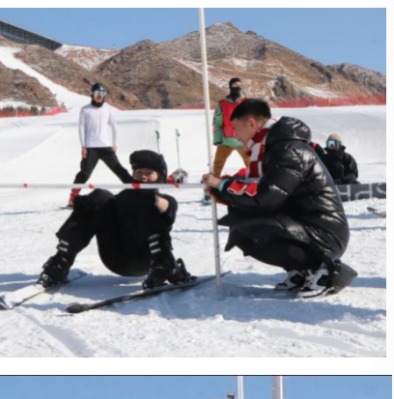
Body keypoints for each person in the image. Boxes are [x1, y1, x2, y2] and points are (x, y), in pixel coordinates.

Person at [201, 99, 356, 295]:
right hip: (306, 224)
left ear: (251, 123)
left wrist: (222, 185)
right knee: (240, 221)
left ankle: (326, 270)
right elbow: (257, 185)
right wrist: (221, 184)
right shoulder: (270, 147)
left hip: (324, 234)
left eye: (236, 128)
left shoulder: (287, 150)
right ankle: (303, 270)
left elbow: (265, 199)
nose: (235, 136)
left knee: (247, 227)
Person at [40, 150, 194, 290]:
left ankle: (167, 266)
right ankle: (61, 261)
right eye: (139, 171)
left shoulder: (165, 200)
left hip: (146, 260)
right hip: (115, 258)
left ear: (159, 176)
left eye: (149, 172)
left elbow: (167, 208)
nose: (143, 176)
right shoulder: (123, 197)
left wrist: (148, 198)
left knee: (143, 202)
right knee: (100, 196)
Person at [68, 83, 132, 208]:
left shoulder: (107, 109)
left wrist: (115, 143)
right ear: (91, 94)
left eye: (102, 94)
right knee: (85, 173)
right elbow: (81, 128)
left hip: (106, 147)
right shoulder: (85, 109)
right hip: (91, 148)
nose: (99, 97)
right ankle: (73, 197)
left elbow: (114, 127)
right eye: (97, 94)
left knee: (119, 170)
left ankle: (136, 193)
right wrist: (83, 146)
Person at [212, 77, 249, 176]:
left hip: (242, 142)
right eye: (235, 85)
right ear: (230, 87)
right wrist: (218, 140)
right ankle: (212, 185)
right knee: (217, 165)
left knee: (251, 164)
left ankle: (256, 184)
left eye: (239, 86)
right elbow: (217, 123)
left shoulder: (247, 102)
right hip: (225, 141)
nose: (237, 87)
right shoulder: (222, 103)